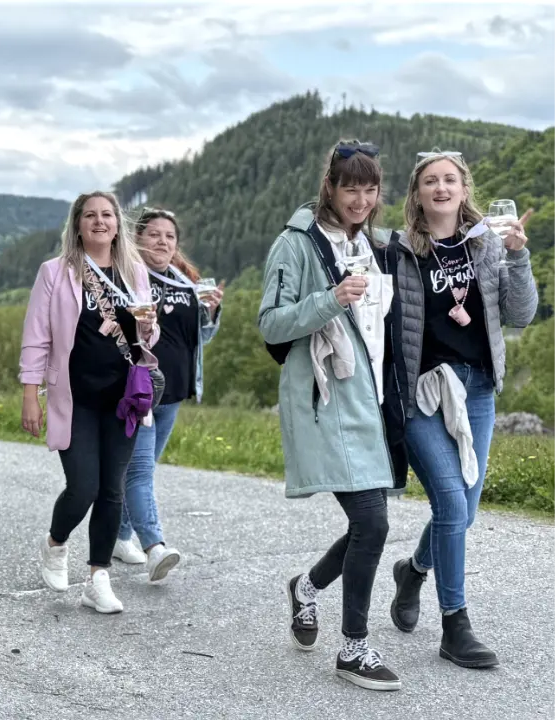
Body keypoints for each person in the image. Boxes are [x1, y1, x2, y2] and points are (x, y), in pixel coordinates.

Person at [258, 140, 407, 691]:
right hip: (325, 400)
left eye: (370, 189)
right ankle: (354, 649)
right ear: (331, 186)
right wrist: (331, 299)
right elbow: (272, 324)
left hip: (372, 402)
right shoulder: (295, 244)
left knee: (367, 523)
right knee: (373, 522)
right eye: (351, 188)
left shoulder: (370, 243)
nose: (361, 199)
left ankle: (306, 588)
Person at [388, 150, 538, 669]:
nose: (441, 187)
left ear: (464, 188)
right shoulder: (401, 249)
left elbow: (520, 315)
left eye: (450, 179)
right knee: (452, 505)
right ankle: (456, 625)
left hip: (476, 390)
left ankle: (412, 571)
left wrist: (518, 257)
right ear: (418, 192)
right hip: (424, 392)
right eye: (431, 180)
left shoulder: (489, 245)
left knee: (465, 509)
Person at [20, 191, 159, 615]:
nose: (99, 221)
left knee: (112, 490)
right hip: (73, 397)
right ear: (77, 225)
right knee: (83, 487)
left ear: (117, 224)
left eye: (107, 215)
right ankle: (55, 543)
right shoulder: (55, 272)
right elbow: (37, 336)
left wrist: (149, 327)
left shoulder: (134, 271)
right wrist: (31, 393)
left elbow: (145, 341)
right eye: (90, 216)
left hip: (123, 398)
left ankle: (98, 577)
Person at [112, 207, 223, 582]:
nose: (162, 241)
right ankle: (155, 546)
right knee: (140, 471)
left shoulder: (184, 280)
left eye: (169, 236)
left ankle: (119, 535)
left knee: (141, 470)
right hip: (139, 388)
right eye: (154, 234)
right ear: (138, 238)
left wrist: (210, 311)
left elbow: (199, 338)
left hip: (172, 392)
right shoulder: (126, 277)